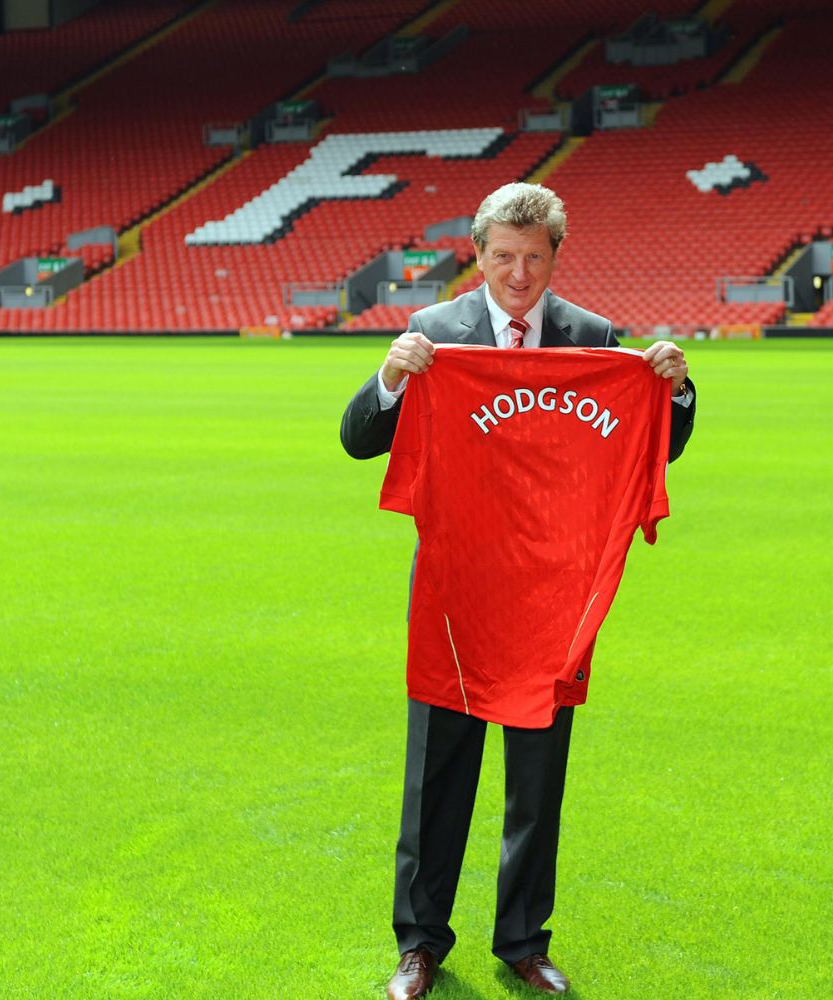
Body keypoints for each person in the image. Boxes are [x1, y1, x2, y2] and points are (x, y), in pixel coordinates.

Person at [340, 182, 695, 999]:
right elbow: (359, 440)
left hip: (552, 601)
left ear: (555, 256)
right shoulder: (434, 332)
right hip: (458, 595)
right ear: (478, 254)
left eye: (534, 257)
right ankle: (419, 945)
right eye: (503, 256)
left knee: (538, 781)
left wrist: (674, 389)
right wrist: (391, 376)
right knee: (437, 779)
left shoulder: (591, 337)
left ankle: (524, 943)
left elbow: (654, 444)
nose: (519, 273)